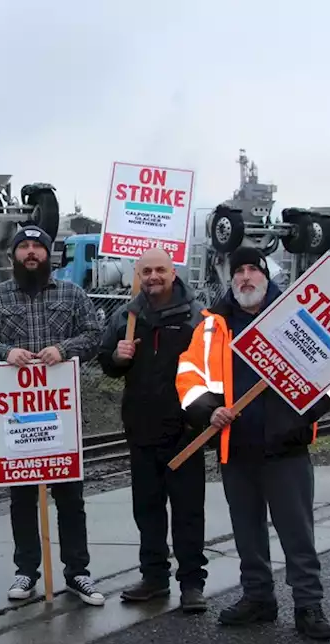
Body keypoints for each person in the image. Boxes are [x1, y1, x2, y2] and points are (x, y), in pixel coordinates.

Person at [174, 246, 330, 640]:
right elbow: (189, 375)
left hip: (287, 446)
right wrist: (207, 411)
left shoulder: (297, 317)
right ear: (231, 279)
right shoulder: (212, 326)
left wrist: (304, 415)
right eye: (240, 271)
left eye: (253, 270)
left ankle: (308, 604)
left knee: (297, 533)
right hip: (236, 445)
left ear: (266, 276)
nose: (246, 277)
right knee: (247, 532)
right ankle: (258, 598)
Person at [0, 225, 106, 606]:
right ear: (13, 255)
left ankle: (78, 572)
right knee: (22, 498)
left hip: (60, 416)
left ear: (49, 255)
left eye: (38, 247)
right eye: (24, 247)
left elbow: (96, 335)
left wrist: (63, 349)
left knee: (70, 498)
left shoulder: (72, 294)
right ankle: (26, 570)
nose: (31, 253)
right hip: (16, 419)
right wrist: (4, 352)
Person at [97, 248, 209, 613]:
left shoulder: (196, 316)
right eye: (146, 271)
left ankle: (192, 583)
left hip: (185, 432)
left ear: (173, 272)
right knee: (147, 509)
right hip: (141, 428)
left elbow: (212, 368)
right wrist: (117, 356)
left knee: (188, 511)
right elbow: (106, 360)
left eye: (160, 269)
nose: (153, 277)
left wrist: (200, 417)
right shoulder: (127, 315)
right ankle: (154, 578)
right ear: (138, 275)